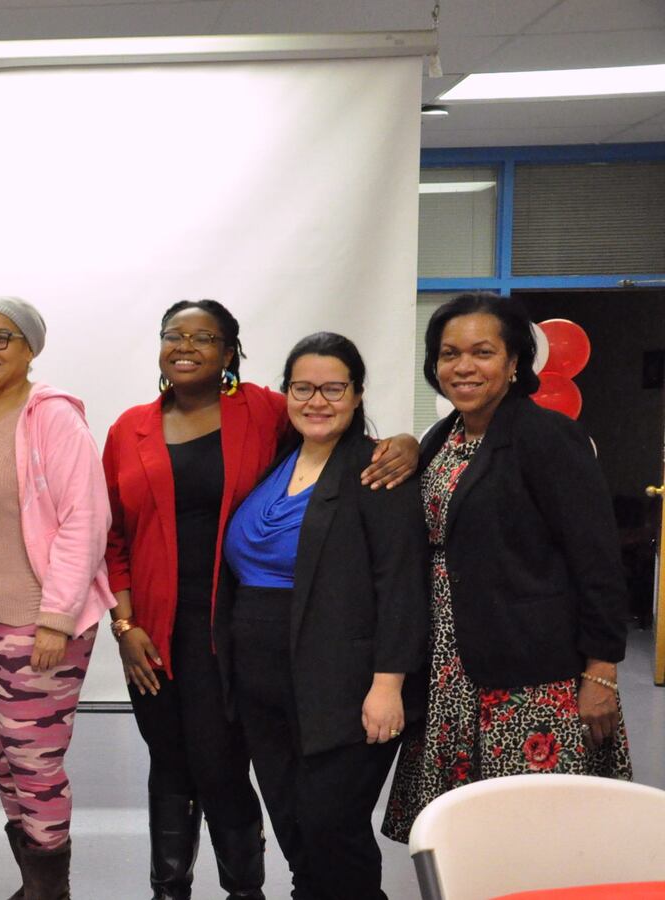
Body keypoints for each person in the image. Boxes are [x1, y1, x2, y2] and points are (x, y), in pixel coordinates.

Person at [102, 299, 417, 900]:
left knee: (226, 770)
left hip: (237, 633)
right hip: (157, 631)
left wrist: (405, 442)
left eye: (205, 336)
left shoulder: (262, 412)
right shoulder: (129, 428)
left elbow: (338, 426)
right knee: (171, 761)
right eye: (174, 334)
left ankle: (244, 890)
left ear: (230, 352)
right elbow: (112, 535)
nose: (187, 345)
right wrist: (125, 623)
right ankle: (168, 891)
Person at [383, 292, 632, 841]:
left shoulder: (547, 437)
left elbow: (597, 561)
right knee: (466, 839)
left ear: (515, 361)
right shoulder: (442, 437)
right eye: (449, 354)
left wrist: (601, 673)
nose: (463, 367)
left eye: (482, 352)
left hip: (532, 678)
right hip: (451, 670)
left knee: (532, 837)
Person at [217, 333, 427, 900]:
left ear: (358, 395)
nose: (317, 400)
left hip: (345, 685)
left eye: (334, 388)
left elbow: (403, 584)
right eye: (303, 387)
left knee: (332, 827)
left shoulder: (377, 471)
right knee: (295, 829)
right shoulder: (275, 462)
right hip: (263, 686)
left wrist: (389, 685)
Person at [0, 296, 114, 900]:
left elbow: (85, 519)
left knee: (34, 766)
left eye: (1, 337)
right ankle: (37, 885)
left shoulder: (51, 416)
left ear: (31, 347)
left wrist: (56, 617)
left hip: (36, 623)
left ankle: (49, 892)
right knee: (0, 760)